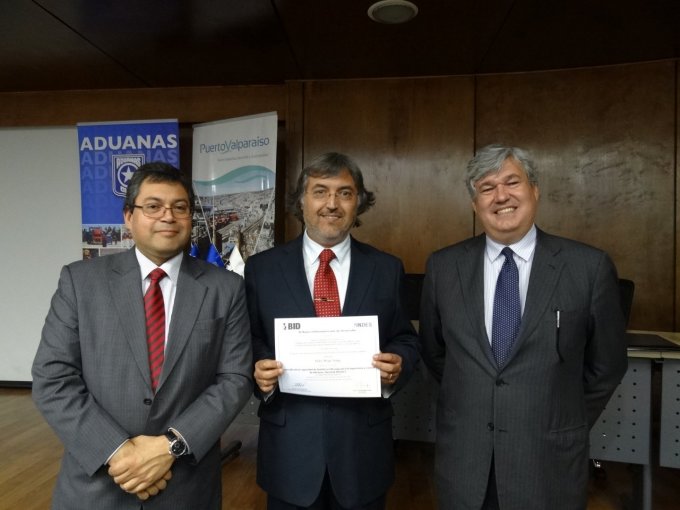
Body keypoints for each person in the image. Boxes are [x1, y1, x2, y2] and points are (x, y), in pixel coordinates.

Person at [32, 162, 253, 509]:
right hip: (99, 484)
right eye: (153, 206)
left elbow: (235, 379)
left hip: (185, 485)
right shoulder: (80, 282)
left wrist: (171, 445)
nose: (168, 216)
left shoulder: (225, 288)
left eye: (179, 207)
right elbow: (52, 377)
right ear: (128, 217)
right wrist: (119, 452)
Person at [420, 144, 628, 510]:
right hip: (466, 463)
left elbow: (607, 365)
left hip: (548, 461)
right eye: (487, 188)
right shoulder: (443, 267)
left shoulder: (588, 268)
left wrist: (560, 416)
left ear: (535, 190)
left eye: (512, 182)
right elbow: (435, 354)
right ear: (474, 204)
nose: (501, 196)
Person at [244, 152, 420, 509]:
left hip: (362, 451)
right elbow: (248, 338)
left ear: (358, 203)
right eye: (320, 191)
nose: (332, 204)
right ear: (301, 201)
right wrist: (258, 368)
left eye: (345, 193)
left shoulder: (386, 269)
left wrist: (397, 364)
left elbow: (405, 338)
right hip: (289, 453)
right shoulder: (262, 269)